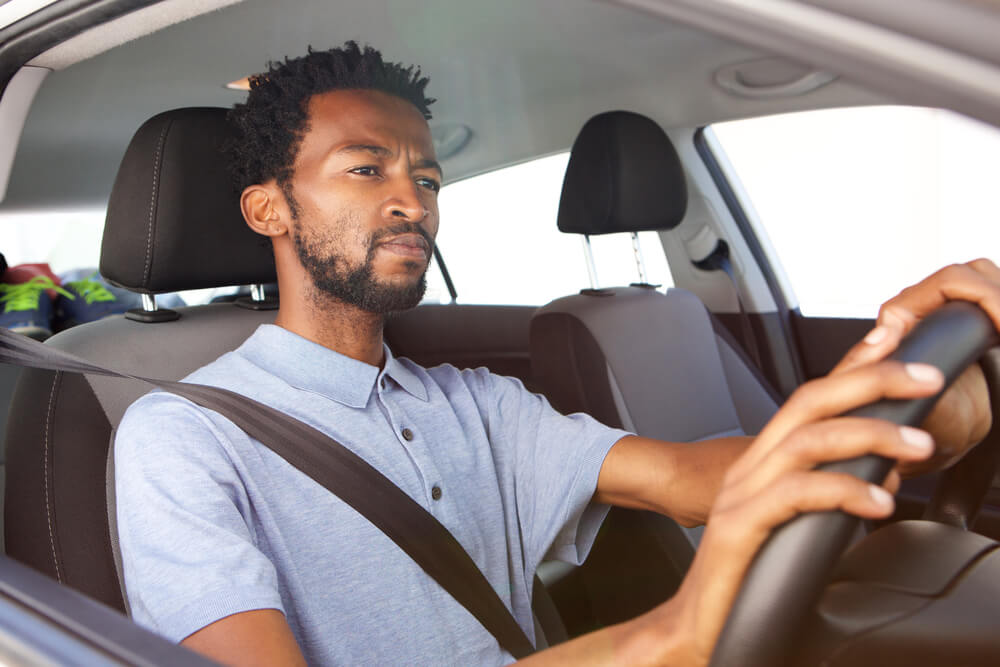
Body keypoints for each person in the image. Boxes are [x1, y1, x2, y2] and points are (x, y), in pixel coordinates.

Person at [113, 42, 1000, 666]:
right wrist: (669, 636)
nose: (411, 202)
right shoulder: (179, 439)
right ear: (268, 210)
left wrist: (902, 381)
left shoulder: (473, 402)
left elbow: (702, 476)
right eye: (364, 168)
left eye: (425, 178)